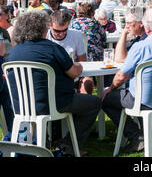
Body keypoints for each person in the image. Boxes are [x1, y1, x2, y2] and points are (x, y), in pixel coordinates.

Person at [9, 11, 101, 156]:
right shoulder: (52, 48)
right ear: (43, 29)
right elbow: (74, 72)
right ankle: (68, 146)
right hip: (53, 104)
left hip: (21, 105)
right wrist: (80, 66)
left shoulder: (15, 51)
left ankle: (44, 142)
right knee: (94, 103)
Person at [101, 8, 152, 153]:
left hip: (142, 100)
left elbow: (121, 76)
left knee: (106, 99)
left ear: (146, 27)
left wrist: (111, 88)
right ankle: (151, 136)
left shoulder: (141, 47)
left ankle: (136, 136)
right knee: (140, 91)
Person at [47, 10, 93, 95]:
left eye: (64, 30)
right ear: (49, 25)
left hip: (72, 75)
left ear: (68, 24)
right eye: (57, 31)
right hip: (50, 78)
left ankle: (82, 106)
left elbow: (82, 61)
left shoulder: (76, 35)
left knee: (88, 82)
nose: (61, 34)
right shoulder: (45, 36)